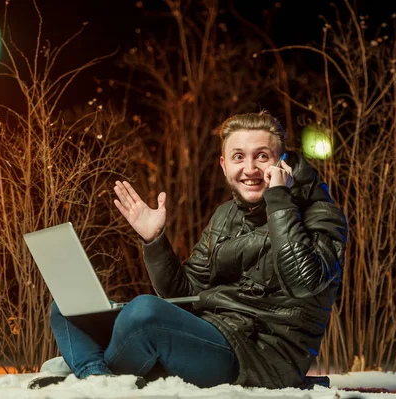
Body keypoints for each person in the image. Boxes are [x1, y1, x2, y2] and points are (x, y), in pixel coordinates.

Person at [39, 111, 347, 389]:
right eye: (238, 157)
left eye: (262, 156)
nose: (250, 168)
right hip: (211, 332)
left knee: (144, 313)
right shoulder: (225, 215)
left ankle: (89, 370)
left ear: (283, 162)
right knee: (69, 306)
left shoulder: (321, 215)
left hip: (261, 357)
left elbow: (304, 284)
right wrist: (155, 240)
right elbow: (183, 293)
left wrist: (279, 198)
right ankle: (98, 378)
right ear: (224, 165)